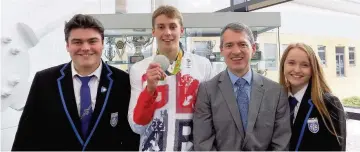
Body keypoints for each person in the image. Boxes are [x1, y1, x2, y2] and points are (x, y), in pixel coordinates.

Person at [12, 14, 139, 151]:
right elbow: (26, 136)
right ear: (67, 45)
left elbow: (131, 137)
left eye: (92, 41)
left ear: (102, 43)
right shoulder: (44, 81)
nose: (85, 48)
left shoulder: (122, 81)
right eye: (77, 42)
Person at [193, 22, 291, 151]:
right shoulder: (207, 91)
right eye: (229, 45)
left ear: (253, 48)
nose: (236, 51)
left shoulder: (276, 92)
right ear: (221, 50)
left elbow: (281, 143)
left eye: (242, 44)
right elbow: (203, 143)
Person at [128, 5, 212, 151]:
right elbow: (137, 126)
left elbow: (209, 118)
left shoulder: (202, 65)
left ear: (181, 30)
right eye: (161, 27)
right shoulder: (139, 69)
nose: (167, 32)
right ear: (153, 32)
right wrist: (149, 90)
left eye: (173, 26)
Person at [279, 43, 346, 151]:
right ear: (283, 65)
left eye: (305, 65)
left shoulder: (328, 103)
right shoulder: (275, 100)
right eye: (291, 63)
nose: (297, 70)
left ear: (313, 69)